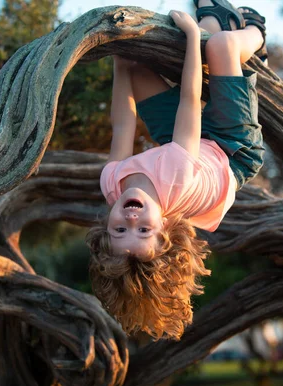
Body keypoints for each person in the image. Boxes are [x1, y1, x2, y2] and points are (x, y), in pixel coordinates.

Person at [86, 0, 266, 340]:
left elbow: (123, 124)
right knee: (219, 45)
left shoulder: (111, 184)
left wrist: (118, 61)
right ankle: (254, 31)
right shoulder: (176, 176)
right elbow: (189, 98)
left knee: (136, 70)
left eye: (120, 232)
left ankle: (216, 19)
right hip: (231, 149)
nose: (131, 222)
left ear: (105, 232)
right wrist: (191, 34)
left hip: (180, 141)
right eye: (143, 233)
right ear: (165, 227)